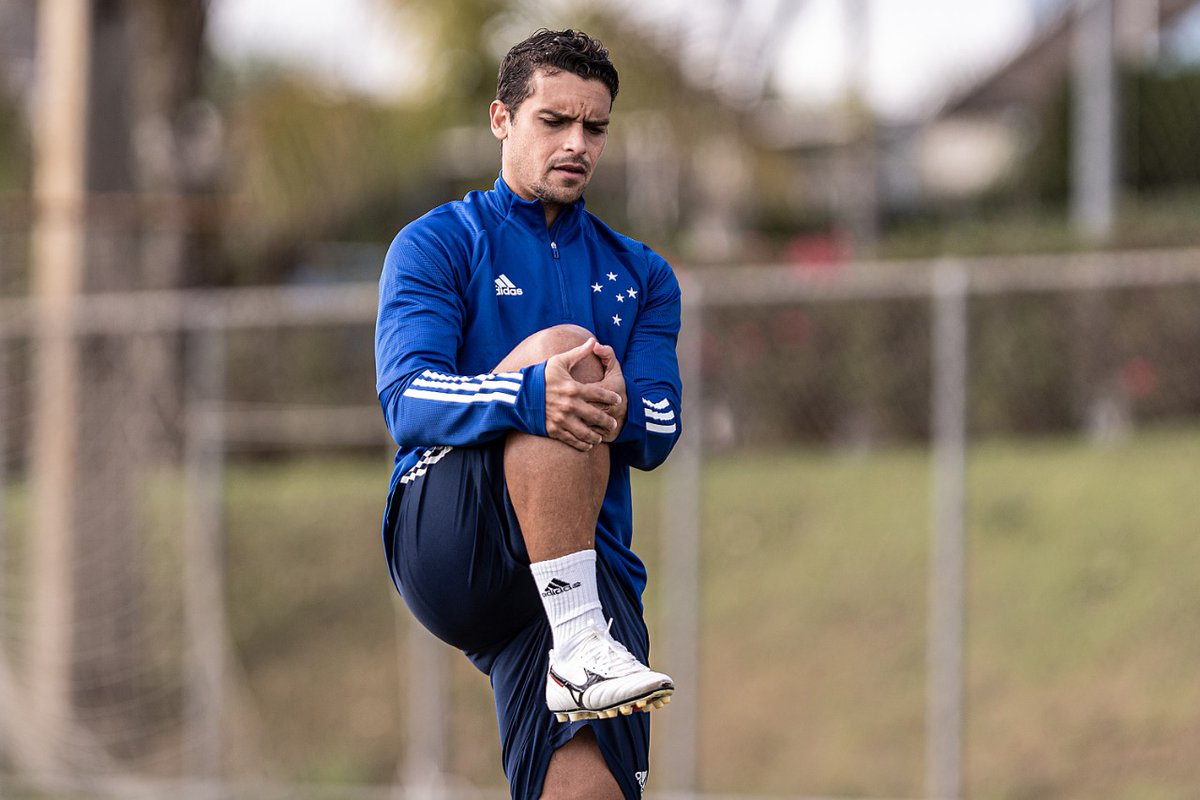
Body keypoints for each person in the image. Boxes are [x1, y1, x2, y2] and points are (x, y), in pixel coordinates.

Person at [375, 28, 683, 799]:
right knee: (565, 354)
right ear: (502, 119)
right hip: (456, 531)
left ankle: (580, 640)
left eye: (596, 127)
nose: (578, 143)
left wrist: (616, 413)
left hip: (584, 554)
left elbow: (661, 421)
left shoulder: (643, 274)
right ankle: (579, 643)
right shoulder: (438, 243)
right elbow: (407, 398)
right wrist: (529, 391)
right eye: (555, 121)